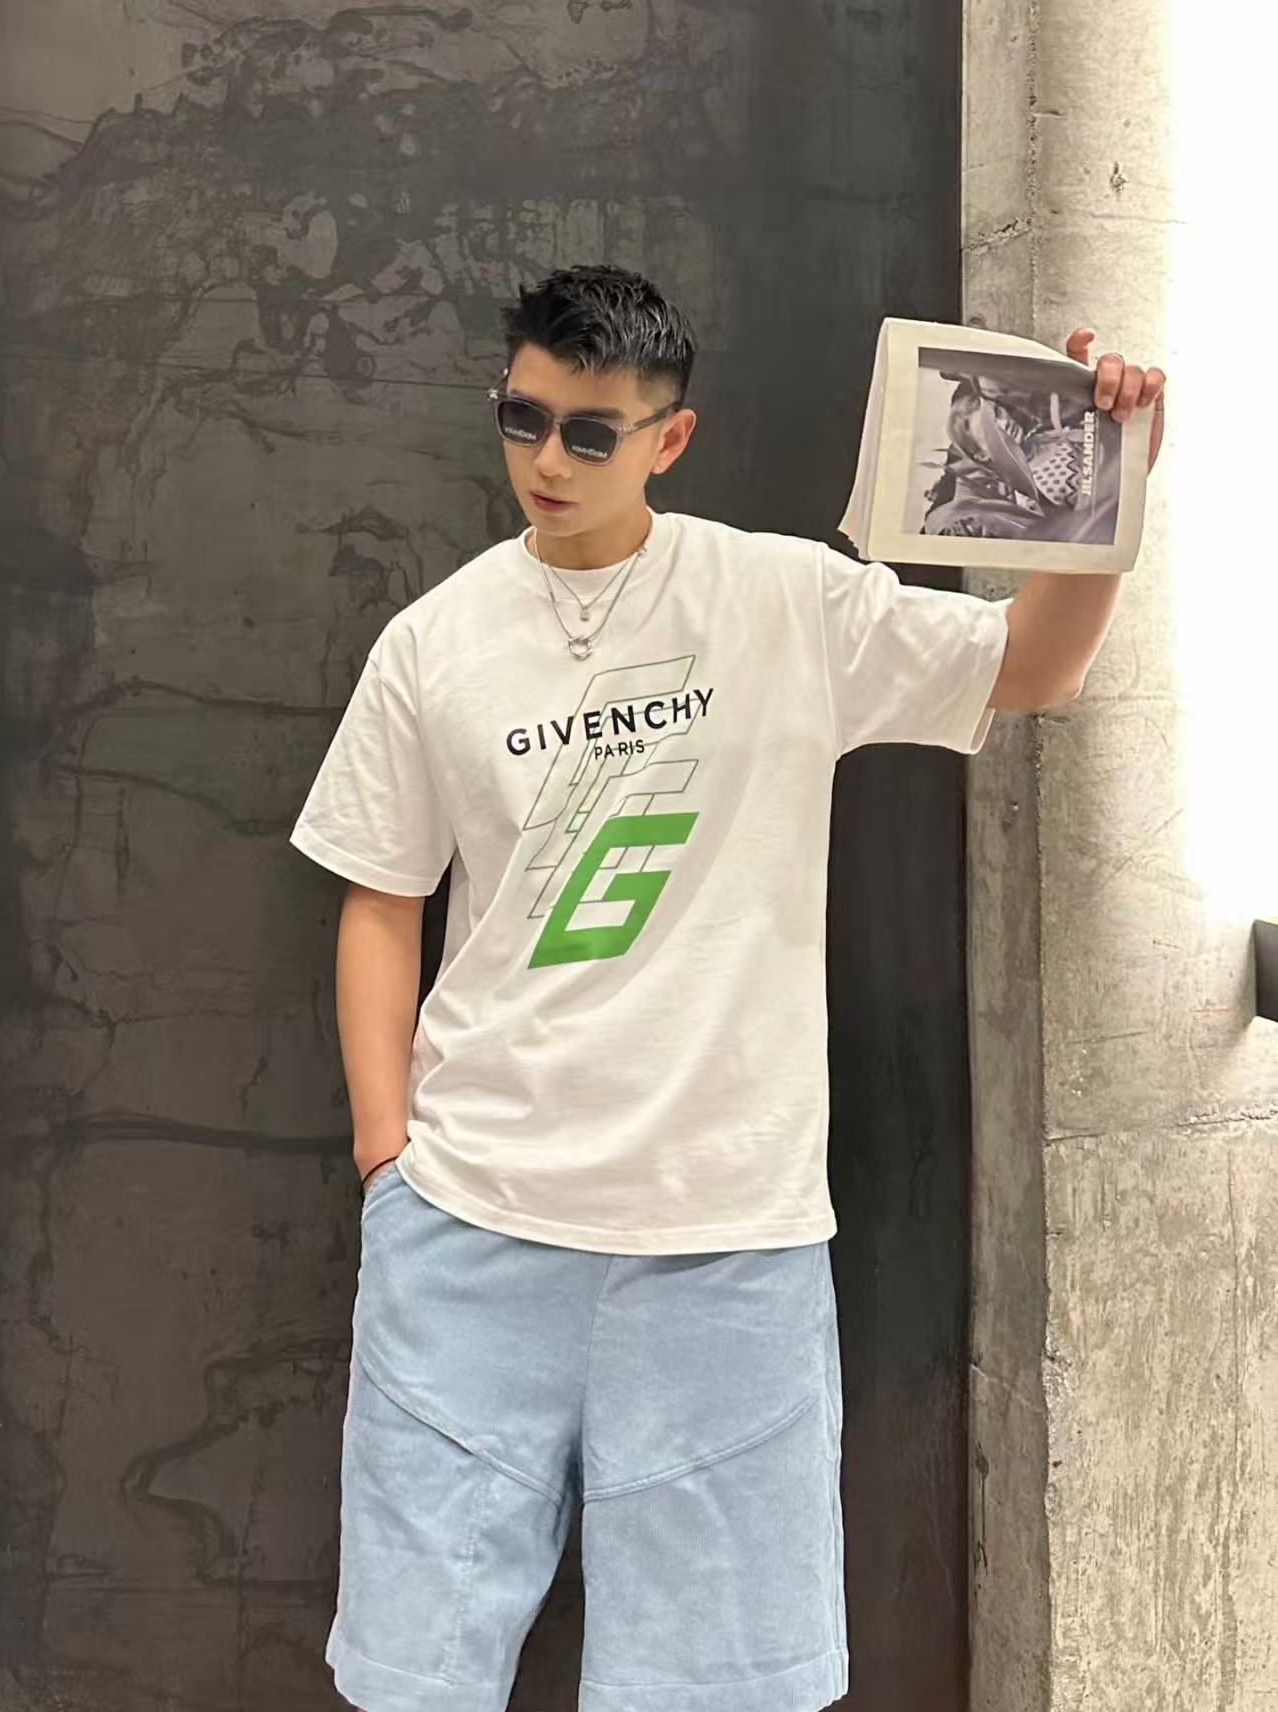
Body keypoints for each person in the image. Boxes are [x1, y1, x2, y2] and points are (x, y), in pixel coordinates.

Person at [289, 264, 1166, 1712]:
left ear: (669, 438)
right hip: (470, 1226)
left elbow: (1031, 669)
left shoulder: (781, 599)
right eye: (523, 418)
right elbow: (381, 899)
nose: (548, 460)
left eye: (592, 432)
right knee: (413, 1678)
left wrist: (1111, 491)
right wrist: (388, 1161)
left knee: (723, 1692)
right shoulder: (434, 642)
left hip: (728, 1244)